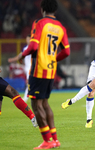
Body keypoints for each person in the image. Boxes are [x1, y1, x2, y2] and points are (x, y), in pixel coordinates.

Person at [8, 0, 70, 149]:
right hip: (51, 69)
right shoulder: (60, 27)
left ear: (42, 9)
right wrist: (54, 58)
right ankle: (54, 140)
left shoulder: (40, 22)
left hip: (39, 68)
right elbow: (66, 51)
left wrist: (23, 55)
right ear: (55, 10)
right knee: (45, 103)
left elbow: (34, 45)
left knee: (36, 104)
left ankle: (47, 141)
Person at [22, 34, 31, 102]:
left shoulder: (34, 48)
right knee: (30, 83)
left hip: (31, 68)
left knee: (29, 83)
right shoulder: (25, 48)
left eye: (29, 39)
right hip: (27, 68)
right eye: (27, 39)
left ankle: (25, 98)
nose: (27, 40)